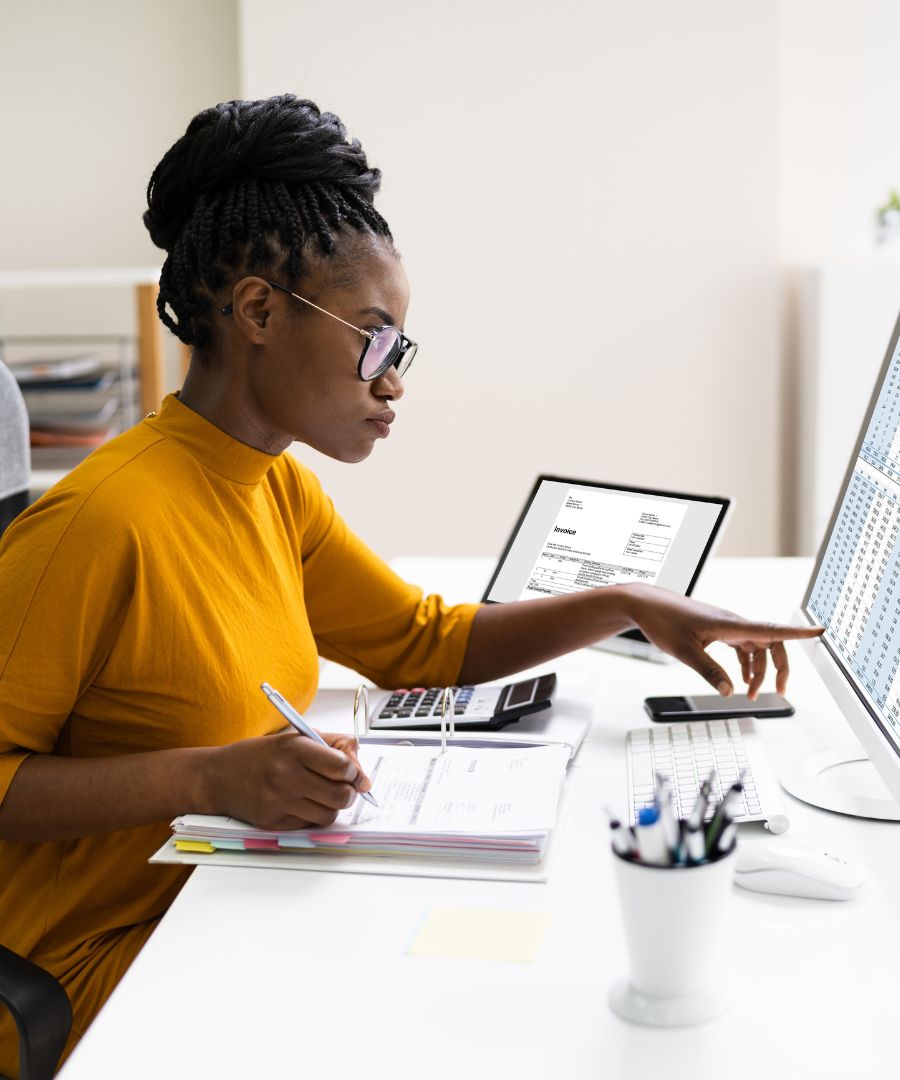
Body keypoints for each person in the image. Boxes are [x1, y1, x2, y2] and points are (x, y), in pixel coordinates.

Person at [0, 94, 821, 1069]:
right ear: (259, 311)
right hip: (98, 972)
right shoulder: (98, 524)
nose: (393, 383)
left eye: (402, 350)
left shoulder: (273, 490)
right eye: (375, 340)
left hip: (225, 906)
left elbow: (427, 647)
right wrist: (212, 778)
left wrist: (628, 604)